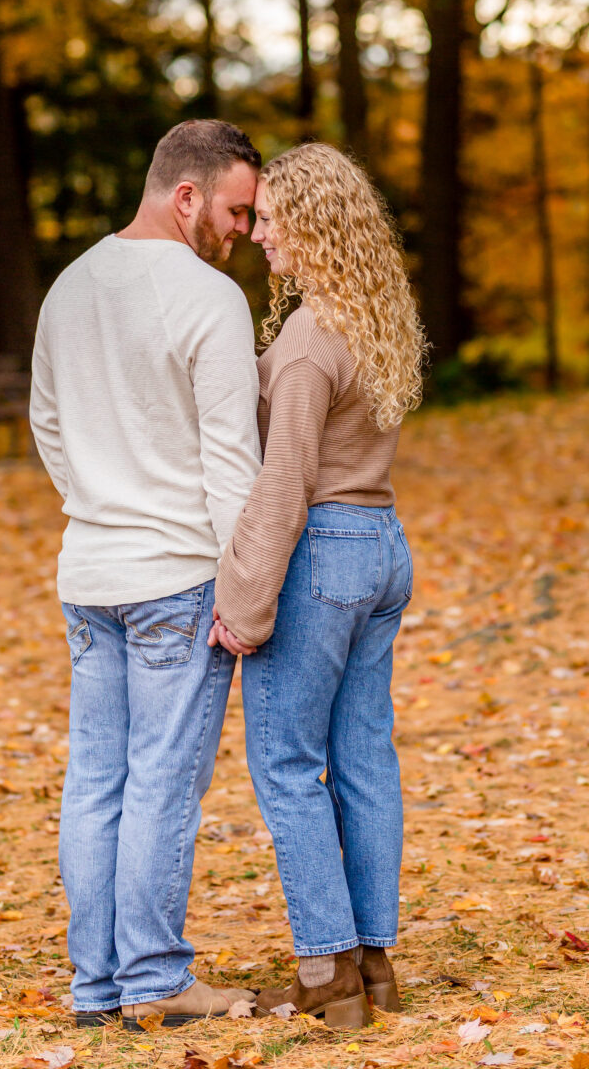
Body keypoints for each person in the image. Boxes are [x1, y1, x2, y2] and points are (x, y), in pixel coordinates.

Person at [30, 120, 263, 1031]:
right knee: (161, 783)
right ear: (188, 196)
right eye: (237, 211)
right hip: (175, 575)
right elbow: (229, 463)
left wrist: (96, 497)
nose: (243, 231)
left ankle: (99, 986)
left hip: (89, 571)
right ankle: (156, 977)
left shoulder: (69, 286)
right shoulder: (207, 299)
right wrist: (247, 590)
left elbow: (48, 425)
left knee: (95, 780)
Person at [212, 142, 426, 1029]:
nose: (258, 234)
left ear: (310, 225)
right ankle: (373, 962)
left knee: (288, 765)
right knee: (365, 758)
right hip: (380, 544)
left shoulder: (305, 338)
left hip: (326, 555)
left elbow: (287, 478)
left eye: (269, 219)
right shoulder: (373, 318)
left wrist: (245, 601)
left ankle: (326, 973)